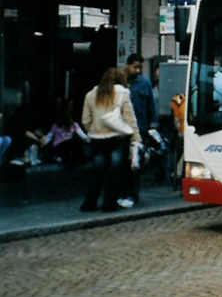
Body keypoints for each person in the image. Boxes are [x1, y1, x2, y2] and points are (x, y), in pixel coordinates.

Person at [81, 67, 141, 212]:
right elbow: (129, 118)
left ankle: (90, 203)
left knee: (97, 171)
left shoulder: (90, 95)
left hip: (97, 139)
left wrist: (92, 130)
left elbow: (85, 120)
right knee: (114, 172)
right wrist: (136, 138)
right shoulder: (123, 93)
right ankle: (109, 203)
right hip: (117, 139)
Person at [123, 54, 157, 206]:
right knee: (122, 163)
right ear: (127, 65)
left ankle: (133, 194)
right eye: (135, 67)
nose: (137, 70)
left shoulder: (145, 83)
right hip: (121, 129)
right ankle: (122, 192)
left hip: (140, 129)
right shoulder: (121, 83)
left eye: (140, 68)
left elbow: (151, 106)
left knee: (135, 163)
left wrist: (152, 126)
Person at [28, 98, 90, 167]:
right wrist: (42, 141)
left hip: (69, 148)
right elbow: (49, 137)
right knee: (69, 144)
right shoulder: (55, 126)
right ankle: (63, 158)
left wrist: (90, 139)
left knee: (74, 144)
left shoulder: (74, 125)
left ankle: (75, 159)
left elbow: (83, 136)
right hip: (59, 148)